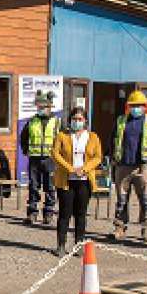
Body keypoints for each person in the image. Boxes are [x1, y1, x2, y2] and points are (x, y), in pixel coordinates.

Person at [111, 90, 147, 241]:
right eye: (133, 105)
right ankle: (120, 227)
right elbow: (112, 139)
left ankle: (146, 230)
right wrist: (113, 157)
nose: (136, 108)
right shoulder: (121, 120)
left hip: (143, 167)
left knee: (145, 200)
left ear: (145, 106)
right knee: (122, 200)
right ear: (128, 106)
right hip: (123, 166)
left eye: (139, 105)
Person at [51, 106, 102, 256]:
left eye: (80, 119)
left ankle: (78, 245)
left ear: (85, 120)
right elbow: (55, 153)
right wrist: (70, 168)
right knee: (64, 213)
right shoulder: (62, 135)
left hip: (84, 181)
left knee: (81, 214)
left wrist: (84, 169)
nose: (77, 121)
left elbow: (97, 157)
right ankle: (61, 245)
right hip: (66, 180)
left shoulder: (93, 137)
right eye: (74, 119)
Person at [23, 91, 59, 226]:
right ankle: (32, 213)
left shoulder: (57, 122)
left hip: (50, 160)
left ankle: (48, 213)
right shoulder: (32, 121)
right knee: (33, 186)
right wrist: (26, 150)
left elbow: (61, 140)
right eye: (39, 107)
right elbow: (24, 137)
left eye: (43, 106)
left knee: (50, 187)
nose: (40, 109)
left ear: (50, 107)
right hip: (34, 159)